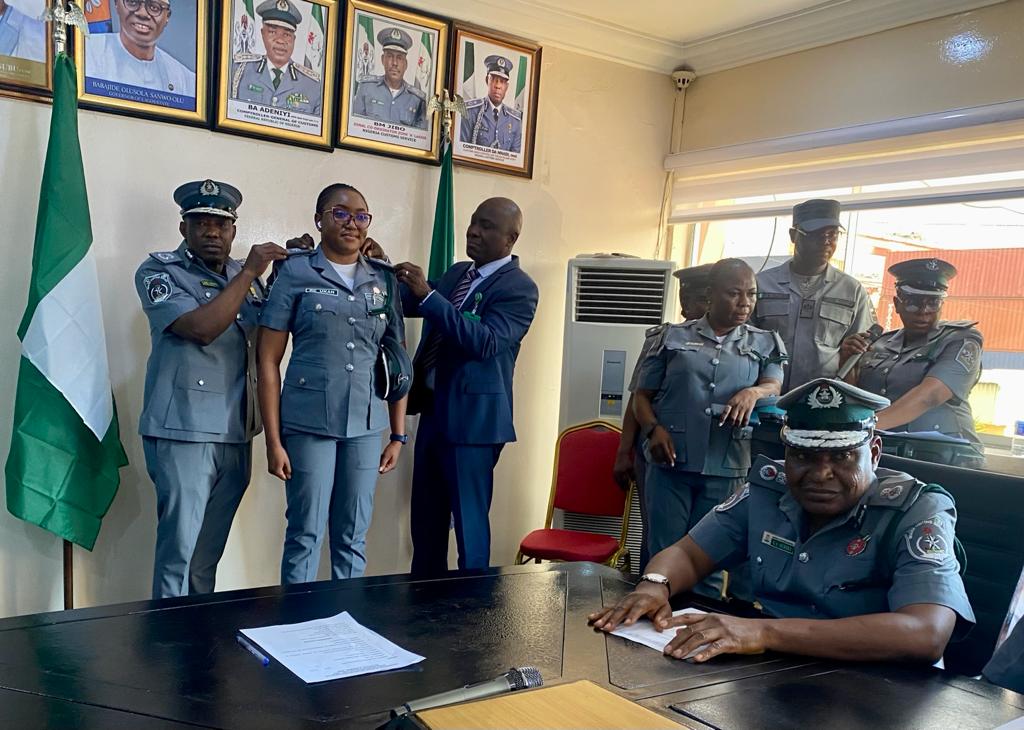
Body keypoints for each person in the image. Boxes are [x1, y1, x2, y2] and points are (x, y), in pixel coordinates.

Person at [590, 378, 975, 664]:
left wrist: (764, 631)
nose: (820, 474)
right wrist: (655, 585)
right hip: (776, 667)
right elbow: (690, 554)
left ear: (873, 453)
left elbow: (927, 633)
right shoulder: (769, 489)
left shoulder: (916, 510)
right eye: (803, 456)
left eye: (842, 457)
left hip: (880, 685)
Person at [135, 179, 287, 599]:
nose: (212, 232)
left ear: (233, 230)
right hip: (183, 431)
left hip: (236, 430)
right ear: (183, 228)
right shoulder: (160, 271)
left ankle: (198, 633)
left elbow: (266, 335)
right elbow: (201, 329)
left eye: (221, 224)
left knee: (206, 556)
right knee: (178, 553)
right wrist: (251, 271)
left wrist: (281, 276)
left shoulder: (244, 277)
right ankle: (168, 634)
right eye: (201, 223)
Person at [258, 183, 407, 584]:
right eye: (340, 213)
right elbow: (268, 360)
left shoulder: (383, 278)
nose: (351, 223)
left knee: (352, 535)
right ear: (319, 220)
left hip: (366, 425)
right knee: (305, 533)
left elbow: (397, 363)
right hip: (308, 424)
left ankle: (346, 619)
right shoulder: (295, 271)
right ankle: (298, 618)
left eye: (361, 216)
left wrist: (398, 435)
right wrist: (273, 441)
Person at [394, 198, 538, 572]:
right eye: (473, 222)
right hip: (433, 412)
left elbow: (485, 342)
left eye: (486, 226)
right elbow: (411, 302)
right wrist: (378, 267)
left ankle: (473, 606)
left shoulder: (520, 288)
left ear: (511, 238)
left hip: (474, 424)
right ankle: (425, 602)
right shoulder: (458, 273)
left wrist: (429, 295)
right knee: (426, 524)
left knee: (469, 531)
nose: (473, 231)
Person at [632, 259, 787, 566]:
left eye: (751, 294)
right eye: (734, 293)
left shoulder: (765, 342)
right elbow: (641, 397)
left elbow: (773, 385)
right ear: (710, 293)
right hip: (671, 462)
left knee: (710, 559)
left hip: (726, 462)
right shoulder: (670, 337)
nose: (744, 303)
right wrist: (652, 430)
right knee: (662, 552)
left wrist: (753, 392)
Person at [613, 263, 713, 568]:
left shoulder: (738, 345)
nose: (710, 307)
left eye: (701, 297)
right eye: (700, 299)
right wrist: (623, 452)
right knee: (657, 539)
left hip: (711, 461)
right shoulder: (664, 339)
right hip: (658, 455)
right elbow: (638, 396)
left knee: (705, 543)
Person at [841, 258, 984, 461]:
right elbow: (858, 400)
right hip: (885, 453)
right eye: (913, 303)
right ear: (897, 304)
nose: (924, 311)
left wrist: (862, 427)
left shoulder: (962, 339)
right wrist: (847, 360)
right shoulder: (880, 342)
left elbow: (931, 395)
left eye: (933, 303)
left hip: (947, 459)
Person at [752, 199, 876, 392]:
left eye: (832, 235)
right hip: (764, 393)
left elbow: (859, 354)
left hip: (823, 398)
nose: (826, 242)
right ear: (793, 235)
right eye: (816, 234)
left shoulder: (851, 290)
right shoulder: (761, 283)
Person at [86, 0, 196, 96]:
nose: (143, 14)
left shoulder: (186, 81)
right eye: (133, 2)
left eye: (154, 7)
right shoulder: (86, 53)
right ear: (116, 4)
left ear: (167, 16)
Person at [230, 0, 321, 115]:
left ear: (294, 39)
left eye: (287, 34)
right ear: (263, 34)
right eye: (272, 32)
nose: (280, 40)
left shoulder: (313, 85)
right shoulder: (238, 71)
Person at [351, 26, 427, 129]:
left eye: (399, 58)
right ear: (383, 60)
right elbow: (355, 127)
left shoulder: (416, 99)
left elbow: (419, 135)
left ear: (405, 64)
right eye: (390, 56)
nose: (394, 63)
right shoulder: (366, 88)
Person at [459, 55, 522, 152]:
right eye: (494, 80)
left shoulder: (515, 121)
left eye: (502, 82)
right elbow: (462, 151)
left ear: (506, 86)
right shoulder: (470, 112)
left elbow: (515, 157)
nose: (498, 86)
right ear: (487, 80)